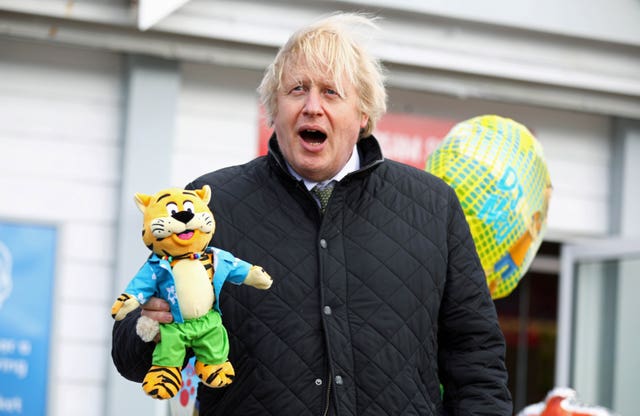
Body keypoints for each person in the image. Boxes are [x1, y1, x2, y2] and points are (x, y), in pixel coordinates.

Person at [112, 12, 512, 415]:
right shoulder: (212, 208)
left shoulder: (433, 206)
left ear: (364, 114)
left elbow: (477, 362)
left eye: (331, 92)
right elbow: (131, 351)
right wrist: (149, 328)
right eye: (297, 90)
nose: (312, 107)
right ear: (273, 109)